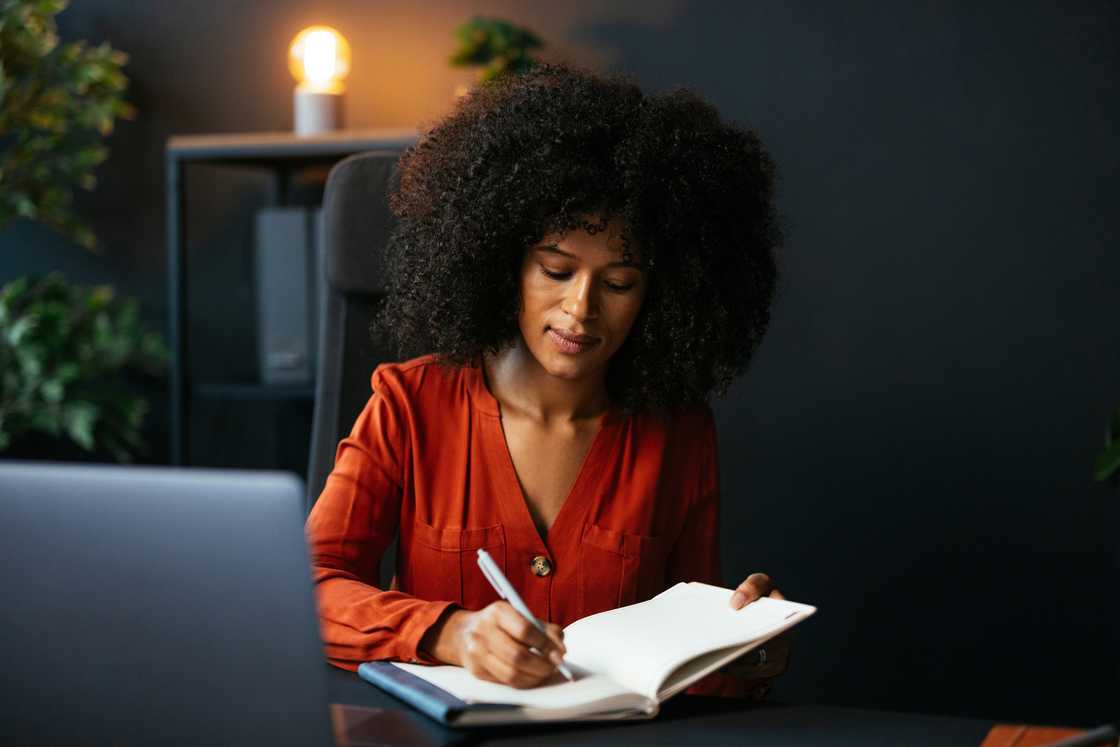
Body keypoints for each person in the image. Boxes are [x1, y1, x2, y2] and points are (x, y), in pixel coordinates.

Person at [306, 65, 788, 697]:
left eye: (618, 283)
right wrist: (451, 633)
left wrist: (747, 650)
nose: (582, 309)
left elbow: (688, 670)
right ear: (503, 260)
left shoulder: (678, 431)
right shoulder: (409, 406)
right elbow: (310, 590)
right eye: (556, 270)